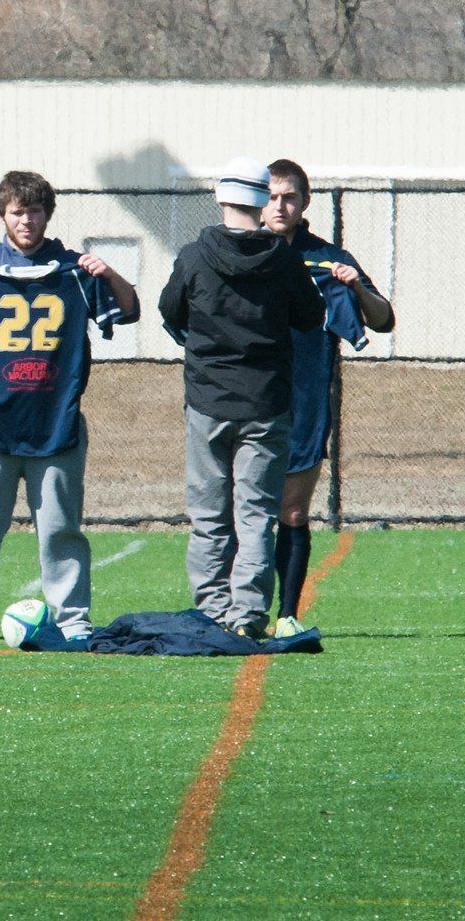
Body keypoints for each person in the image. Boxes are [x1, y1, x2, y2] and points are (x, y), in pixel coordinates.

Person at [0, 170, 139, 644]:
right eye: (18, 211)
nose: (26, 220)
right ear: (3, 213)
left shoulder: (75, 269)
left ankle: (73, 621)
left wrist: (110, 273)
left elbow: (128, 309)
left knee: (62, 528)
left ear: (47, 214)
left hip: (56, 413)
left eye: (35, 210)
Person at [158, 156, 324, 640]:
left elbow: (171, 312)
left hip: (208, 402)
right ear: (261, 198)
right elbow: (311, 317)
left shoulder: (193, 255)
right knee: (256, 517)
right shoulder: (283, 260)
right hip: (267, 404)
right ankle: (248, 615)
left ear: (221, 196)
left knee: (209, 515)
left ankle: (211, 612)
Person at [261, 158, 395, 637]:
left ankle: (287, 614)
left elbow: (383, 320)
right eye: (272, 196)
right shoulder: (238, 252)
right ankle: (236, 614)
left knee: (292, 512)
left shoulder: (327, 258)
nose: (280, 206)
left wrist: (356, 287)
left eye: (289, 197)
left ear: (305, 203)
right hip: (246, 400)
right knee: (243, 513)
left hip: (306, 401)